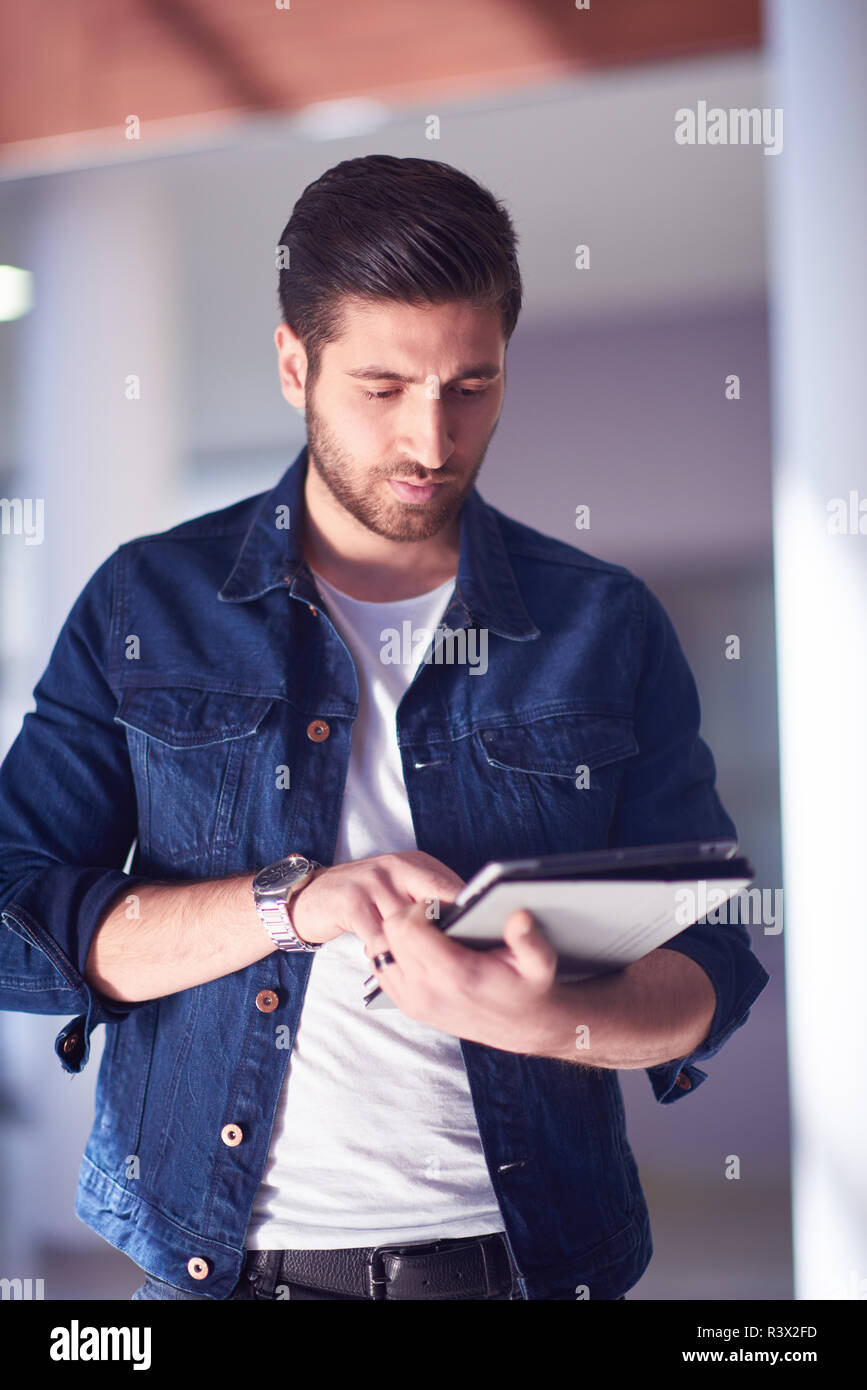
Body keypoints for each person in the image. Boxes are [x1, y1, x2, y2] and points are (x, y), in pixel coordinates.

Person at [0, 154, 768, 1301]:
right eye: (383, 386)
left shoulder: (604, 621)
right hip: (222, 1266)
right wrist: (290, 905)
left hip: (525, 1267)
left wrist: (557, 1015)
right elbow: (14, 918)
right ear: (292, 363)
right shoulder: (143, 605)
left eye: (473, 386)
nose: (431, 438)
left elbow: (710, 963)